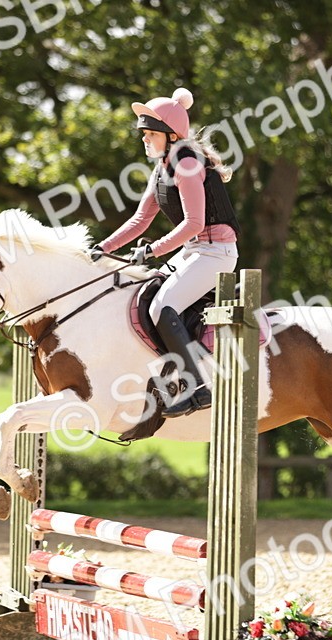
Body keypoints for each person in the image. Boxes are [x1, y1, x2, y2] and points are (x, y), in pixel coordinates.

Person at [90, 87, 240, 418]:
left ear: (171, 135)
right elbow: (140, 219)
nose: (144, 139)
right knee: (144, 294)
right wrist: (103, 247)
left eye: (150, 134)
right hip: (195, 251)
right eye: (143, 133)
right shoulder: (163, 166)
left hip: (216, 251)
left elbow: (194, 222)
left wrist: (153, 250)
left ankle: (197, 386)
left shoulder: (186, 163)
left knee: (163, 306)